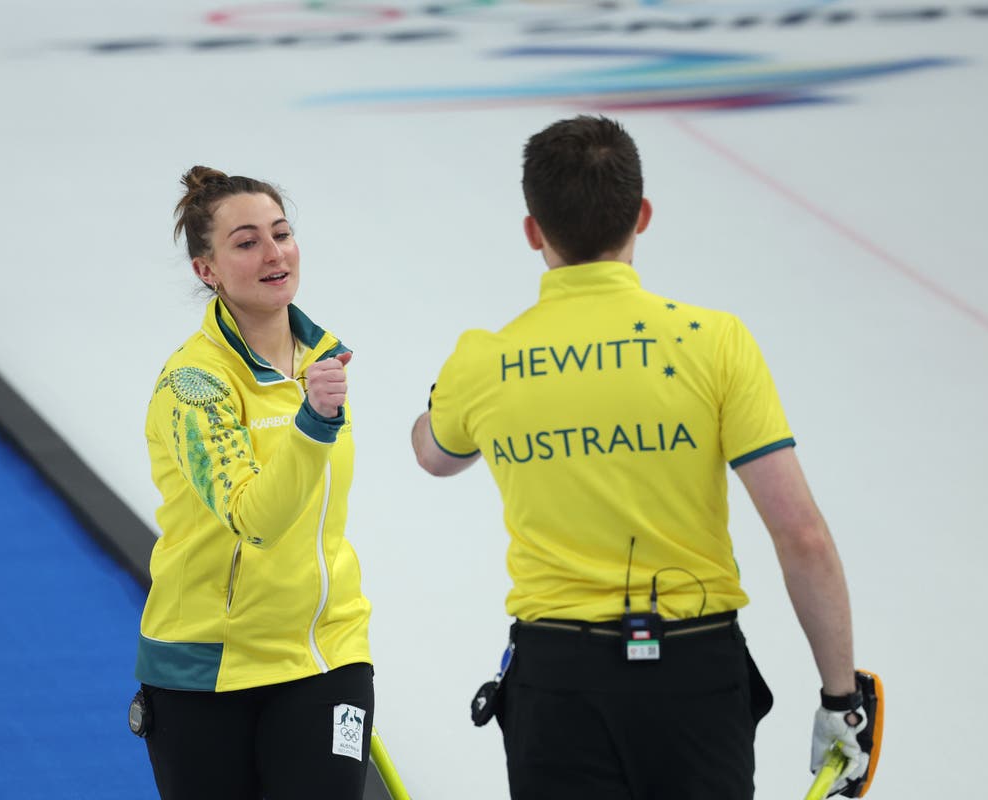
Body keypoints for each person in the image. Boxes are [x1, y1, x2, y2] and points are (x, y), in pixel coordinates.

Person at [409, 116, 868, 799]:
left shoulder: (484, 359)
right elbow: (801, 534)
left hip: (556, 681)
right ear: (642, 215)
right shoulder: (713, 342)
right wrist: (841, 699)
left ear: (533, 230)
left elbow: (433, 454)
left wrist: (453, 391)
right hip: (692, 674)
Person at [133, 166, 373, 800]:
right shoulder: (193, 385)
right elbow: (255, 519)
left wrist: (313, 412)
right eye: (246, 242)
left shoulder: (322, 360)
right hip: (207, 667)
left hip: (326, 653)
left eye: (282, 234)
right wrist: (313, 423)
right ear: (205, 269)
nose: (274, 254)